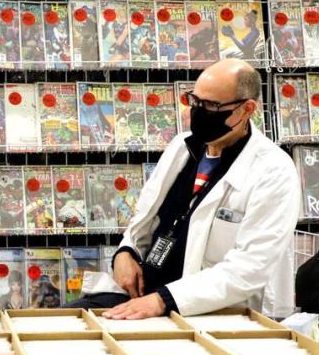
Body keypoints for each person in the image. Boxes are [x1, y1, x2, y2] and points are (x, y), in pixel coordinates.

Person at [67, 59, 300, 320]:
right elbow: (145, 218)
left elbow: (250, 268)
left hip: (207, 312)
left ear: (247, 109)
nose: (197, 112)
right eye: (195, 101)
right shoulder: (183, 147)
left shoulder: (274, 170)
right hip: (143, 296)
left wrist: (164, 300)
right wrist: (126, 252)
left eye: (211, 106)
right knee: (59, 323)